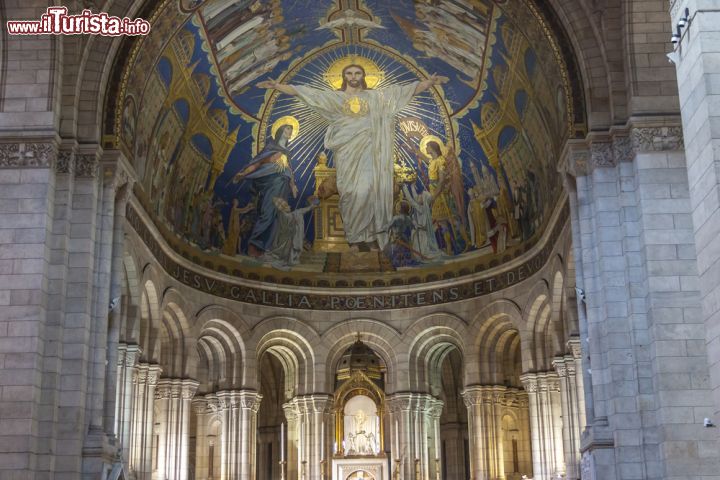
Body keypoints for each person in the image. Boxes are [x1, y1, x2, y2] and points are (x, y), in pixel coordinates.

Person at [257, 64, 448, 252]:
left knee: (371, 189)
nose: (353, 76)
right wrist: (277, 86)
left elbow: (404, 91)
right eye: (349, 73)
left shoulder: (376, 97)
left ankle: (371, 237)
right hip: (346, 153)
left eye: (357, 73)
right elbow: (307, 93)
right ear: (344, 76)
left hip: (369, 152)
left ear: (363, 75)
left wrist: (429, 83)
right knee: (349, 191)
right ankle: (355, 238)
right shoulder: (336, 98)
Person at [233, 124, 297, 257]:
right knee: (268, 213)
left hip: (283, 186)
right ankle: (255, 245)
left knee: (278, 217)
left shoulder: (287, 153)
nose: (289, 133)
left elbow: (289, 170)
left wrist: (292, 185)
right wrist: (243, 173)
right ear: (280, 131)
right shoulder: (271, 147)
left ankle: (269, 248)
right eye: (287, 130)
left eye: (291, 131)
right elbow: (257, 163)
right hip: (271, 184)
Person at [267, 196, 319, 267]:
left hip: (286, 236)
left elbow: (298, 212)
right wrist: (310, 207)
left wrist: (310, 207)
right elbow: (297, 213)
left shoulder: (282, 214)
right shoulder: (285, 215)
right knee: (291, 248)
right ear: (283, 208)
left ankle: (292, 259)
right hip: (288, 238)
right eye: (287, 206)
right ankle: (291, 260)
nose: (289, 206)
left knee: (291, 247)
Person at [402, 183, 443, 259]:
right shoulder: (420, 207)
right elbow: (414, 199)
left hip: (422, 233)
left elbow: (412, 201)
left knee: (423, 248)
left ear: (424, 199)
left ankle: (423, 254)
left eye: (420, 197)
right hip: (419, 232)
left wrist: (405, 189)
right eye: (419, 197)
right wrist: (411, 187)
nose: (418, 198)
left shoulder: (421, 209)